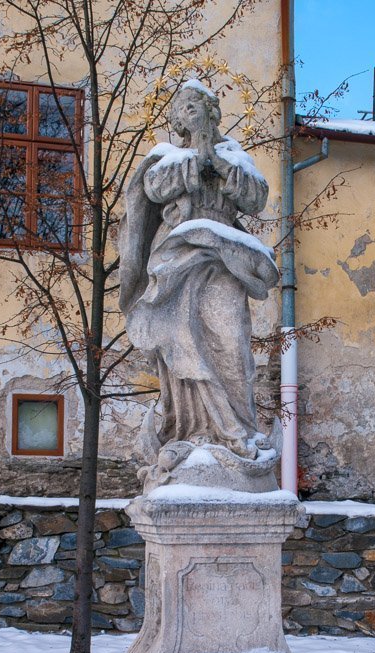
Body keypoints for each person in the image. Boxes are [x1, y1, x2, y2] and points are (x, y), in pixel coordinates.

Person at [120, 80, 279, 460]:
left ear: (213, 113)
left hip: (223, 253)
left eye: (199, 106)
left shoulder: (235, 157)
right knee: (180, 340)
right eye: (185, 108)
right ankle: (193, 429)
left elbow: (255, 197)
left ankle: (239, 428)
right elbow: (156, 189)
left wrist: (216, 158)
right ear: (178, 120)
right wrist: (198, 157)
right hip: (178, 253)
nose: (192, 112)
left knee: (231, 341)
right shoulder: (166, 158)